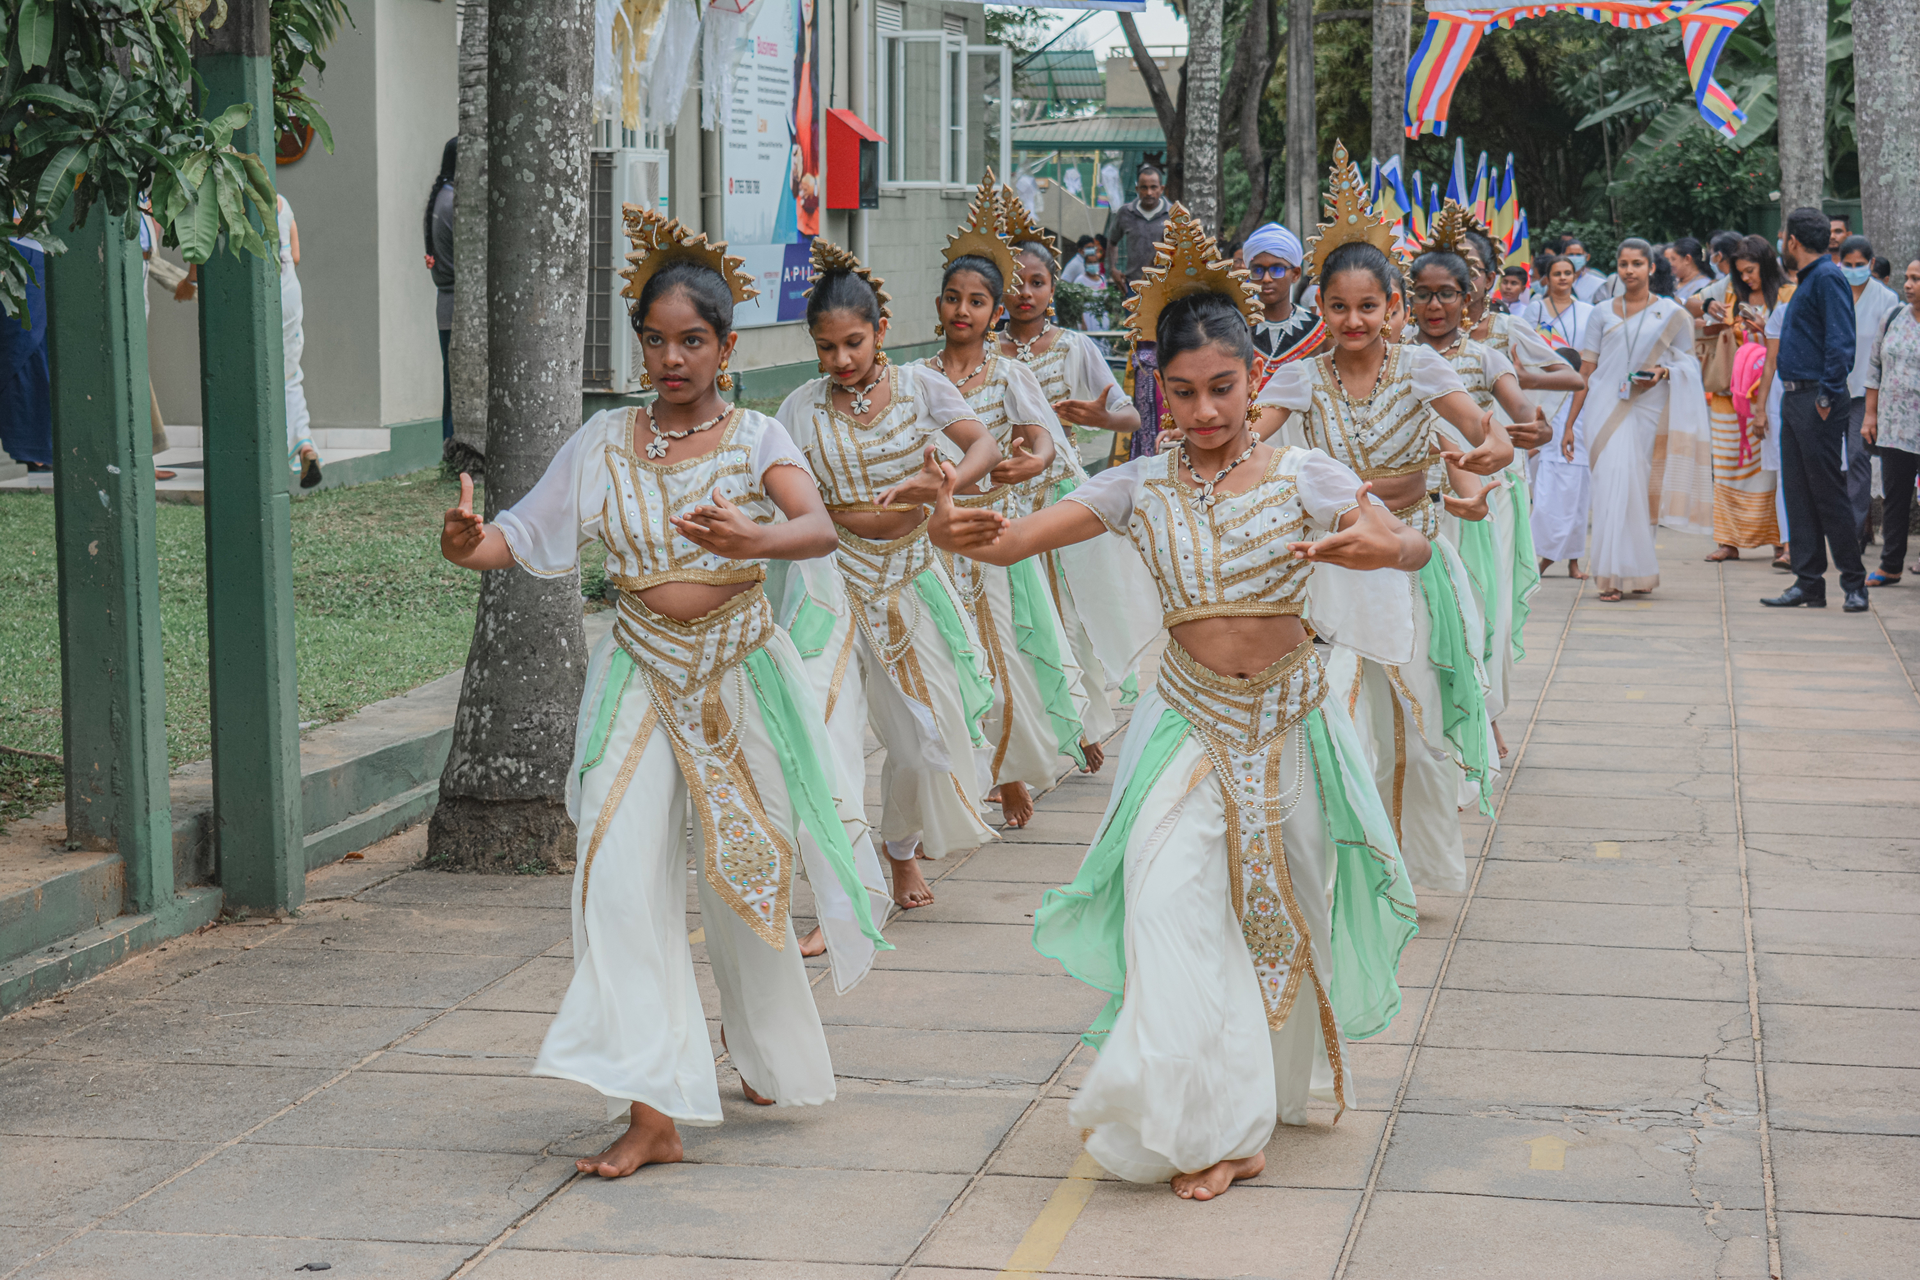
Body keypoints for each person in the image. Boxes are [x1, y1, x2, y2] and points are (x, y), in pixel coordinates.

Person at [933, 201, 1420, 1200]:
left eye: (1225, 389)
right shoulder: (1138, 485)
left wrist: (1383, 543)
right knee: (1163, 907)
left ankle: (1249, 1103)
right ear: (1160, 386)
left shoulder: (1305, 472)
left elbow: (1400, 541)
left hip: (1291, 724)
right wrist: (953, 522)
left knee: (1279, 921)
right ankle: (1220, 1125)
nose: (1205, 413)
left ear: (1257, 377)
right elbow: (1015, 539)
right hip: (1187, 724)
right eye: (1186, 392)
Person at [439, 209, 889, 1178]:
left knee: (748, 886)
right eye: (656, 339)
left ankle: (767, 1050)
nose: (673, 357)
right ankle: (655, 1106)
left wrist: (753, 541)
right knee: (618, 876)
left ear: (728, 346)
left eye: (693, 340)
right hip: (642, 675)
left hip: (738, 676)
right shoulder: (605, 438)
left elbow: (813, 531)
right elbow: (515, 533)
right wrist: (467, 542)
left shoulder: (759, 433)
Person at [1253, 153, 1514, 895]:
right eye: (1338, 307)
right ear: (1321, 312)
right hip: (1332, 563)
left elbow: (1484, 434)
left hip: (1410, 559)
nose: (1354, 321)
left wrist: (1478, 467)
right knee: (1335, 714)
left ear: (1393, 306)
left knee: (1418, 725)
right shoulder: (1301, 377)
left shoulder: (1421, 370)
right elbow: (1251, 431)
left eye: (1369, 306)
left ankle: (1408, 867)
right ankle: (1340, 870)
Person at [778, 240, 1002, 911]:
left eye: (853, 343)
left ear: (881, 332)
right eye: (825, 348)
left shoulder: (920, 386)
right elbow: (776, 495)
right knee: (826, 734)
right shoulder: (801, 409)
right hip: (831, 584)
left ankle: (899, 848)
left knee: (922, 740)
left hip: (910, 578)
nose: (841, 361)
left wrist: (945, 481)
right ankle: (843, 899)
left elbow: (984, 444)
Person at [920, 175, 1083, 830]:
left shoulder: (1009, 373)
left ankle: (1012, 770)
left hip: (993, 530)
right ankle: (963, 775)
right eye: (954, 299)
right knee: (945, 656)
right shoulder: (918, 379)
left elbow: (1043, 436)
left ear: (995, 312)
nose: (965, 310)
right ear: (939, 305)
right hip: (933, 537)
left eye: (979, 301)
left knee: (1002, 652)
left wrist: (1034, 459)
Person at [996, 196, 1156, 773]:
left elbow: (1133, 416)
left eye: (1036, 282)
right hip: (1004, 499)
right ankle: (1031, 735)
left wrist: (1095, 418)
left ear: (1052, 289)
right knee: (1016, 621)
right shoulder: (985, 353)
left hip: (1061, 496)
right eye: (1015, 282)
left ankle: (1085, 722)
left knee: (1073, 615)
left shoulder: (1074, 348)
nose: (1025, 293)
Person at [1563, 239, 1706, 602]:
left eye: (1637, 264)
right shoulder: (1601, 313)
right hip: (1604, 409)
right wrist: (1569, 422)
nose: (1629, 270)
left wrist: (1663, 371)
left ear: (1651, 268)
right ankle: (1610, 575)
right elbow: (1587, 370)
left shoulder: (1673, 315)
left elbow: (1690, 363)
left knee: (1638, 492)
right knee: (1611, 487)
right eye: (1623, 264)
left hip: (1648, 409)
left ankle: (1637, 570)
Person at [1765, 207, 1867, 611]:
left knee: (1828, 494)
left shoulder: (1827, 278)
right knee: (1798, 493)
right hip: (1794, 398)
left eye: (1783, 237)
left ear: (1792, 241)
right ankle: (1808, 583)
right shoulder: (1807, 280)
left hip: (1816, 399)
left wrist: (1825, 397)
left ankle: (1854, 584)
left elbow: (1842, 342)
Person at [1693, 235, 1789, 561]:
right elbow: (1688, 303)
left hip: (1772, 393)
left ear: (1766, 264)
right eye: (1741, 272)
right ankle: (1728, 540)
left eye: (1750, 271)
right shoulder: (1731, 293)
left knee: (1770, 468)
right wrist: (1708, 306)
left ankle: (1780, 540)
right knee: (1727, 466)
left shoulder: (1788, 294)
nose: (1746, 278)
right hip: (1729, 396)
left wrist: (1765, 329)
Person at [1527, 254, 1596, 577]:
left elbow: (1590, 364)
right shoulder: (1535, 310)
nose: (1563, 278)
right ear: (1547, 278)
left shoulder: (1589, 313)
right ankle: (1537, 554)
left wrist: (1570, 422)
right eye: (1557, 273)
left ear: (1576, 276)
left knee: (1576, 483)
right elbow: (1522, 356)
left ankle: (1572, 560)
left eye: (1569, 273)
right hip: (1543, 396)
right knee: (1544, 486)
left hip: (1579, 400)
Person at [1839, 234, 1901, 543]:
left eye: (1859, 265)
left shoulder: (1886, 300)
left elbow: (1884, 353)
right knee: (1826, 461)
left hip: (1865, 392)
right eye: (1847, 264)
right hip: (1832, 388)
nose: (1853, 270)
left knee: (1857, 458)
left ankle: (1853, 533)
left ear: (1871, 264)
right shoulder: (1833, 291)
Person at [1864, 257, 1920, 585]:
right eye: (1908, 277)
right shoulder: (1894, 316)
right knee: (1895, 497)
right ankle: (1890, 565)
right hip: (1895, 427)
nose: (1909, 285)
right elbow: (1874, 369)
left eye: (1916, 279)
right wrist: (1870, 416)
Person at [1241, 222, 1324, 390]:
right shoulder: (1236, 327)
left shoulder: (1318, 331)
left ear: (1295, 274)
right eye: (1257, 270)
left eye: (1277, 270)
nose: (1266, 279)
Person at [277, 194, 322, 489]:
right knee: (291, 376)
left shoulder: (235, 201)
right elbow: (294, 256)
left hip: (265, 293)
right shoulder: (282, 202)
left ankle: (275, 447)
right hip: (291, 293)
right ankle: (304, 441)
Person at [0, 227, 51, 472]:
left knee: (31, 345)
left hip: (34, 249)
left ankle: (33, 447)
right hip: (14, 247)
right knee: (20, 344)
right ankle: (28, 446)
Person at [425, 137, 457, 442]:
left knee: (452, 384)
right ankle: (451, 447)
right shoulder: (452, 204)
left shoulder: (441, 197)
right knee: (456, 387)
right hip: (455, 304)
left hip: (445, 304)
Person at [1106, 164, 1170, 283]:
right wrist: (1113, 269)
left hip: (1166, 286)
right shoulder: (1125, 213)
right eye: (1144, 187)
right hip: (1134, 285)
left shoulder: (1173, 215)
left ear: (1161, 189)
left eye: (1153, 187)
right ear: (1137, 189)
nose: (1149, 192)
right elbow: (1112, 241)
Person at [1666, 237, 1717, 306]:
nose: (1670, 264)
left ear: (1687, 259)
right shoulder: (1675, 281)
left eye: (1673, 259)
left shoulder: (1704, 286)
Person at [1562, 238, 1608, 304]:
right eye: (1571, 254)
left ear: (1587, 257)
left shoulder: (1596, 284)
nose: (1574, 258)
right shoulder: (1555, 281)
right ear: (1562, 256)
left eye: (1579, 255)